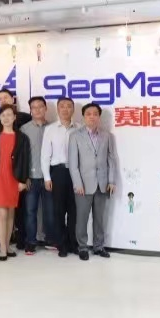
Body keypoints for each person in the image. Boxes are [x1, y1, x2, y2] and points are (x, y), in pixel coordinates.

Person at [68, 103, 118, 261]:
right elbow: (73, 163)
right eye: (88, 114)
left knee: (99, 218)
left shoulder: (107, 136)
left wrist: (111, 180)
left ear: (99, 117)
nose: (92, 117)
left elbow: (111, 159)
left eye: (95, 114)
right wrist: (77, 184)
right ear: (83, 117)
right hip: (83, 185)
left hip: (102, 184)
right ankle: (82, 247)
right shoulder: (75, 136)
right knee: (82, 218)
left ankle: (99, 246)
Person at [0, 104, 30, 261]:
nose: (6, 118)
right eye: (3, 115)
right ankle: (3, 248)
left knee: (11, 212)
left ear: (14, 117)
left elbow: (25, 160)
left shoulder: (22, 137)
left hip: (13, 178)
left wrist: (23, 180)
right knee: (1, 213)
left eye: (9, 115)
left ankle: (6, 244)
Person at [41, 97, 79, 257]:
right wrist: (47, 177)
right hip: (58, 172)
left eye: (69, 106)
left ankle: (73, 243)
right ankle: (62, 244)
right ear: (57, 109)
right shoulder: (50, 129)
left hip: (76, 173)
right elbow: (45, 155)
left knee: (74, 210)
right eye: (62, 106)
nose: (65, 109)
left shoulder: (79, 128)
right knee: (58, 211)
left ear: (73, 110)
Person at [21, 96, 53, 255]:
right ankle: (31, 242)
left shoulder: (53, 128)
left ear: (45, 108)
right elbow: (22, 155)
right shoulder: (24, 129)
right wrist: (24, 176)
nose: (37, 109)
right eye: (34, 107)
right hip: (31, 177)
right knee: (30, 211)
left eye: (40, 106)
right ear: (30, 110)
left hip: (49, 177)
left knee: (50, 211)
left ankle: (50, 239)